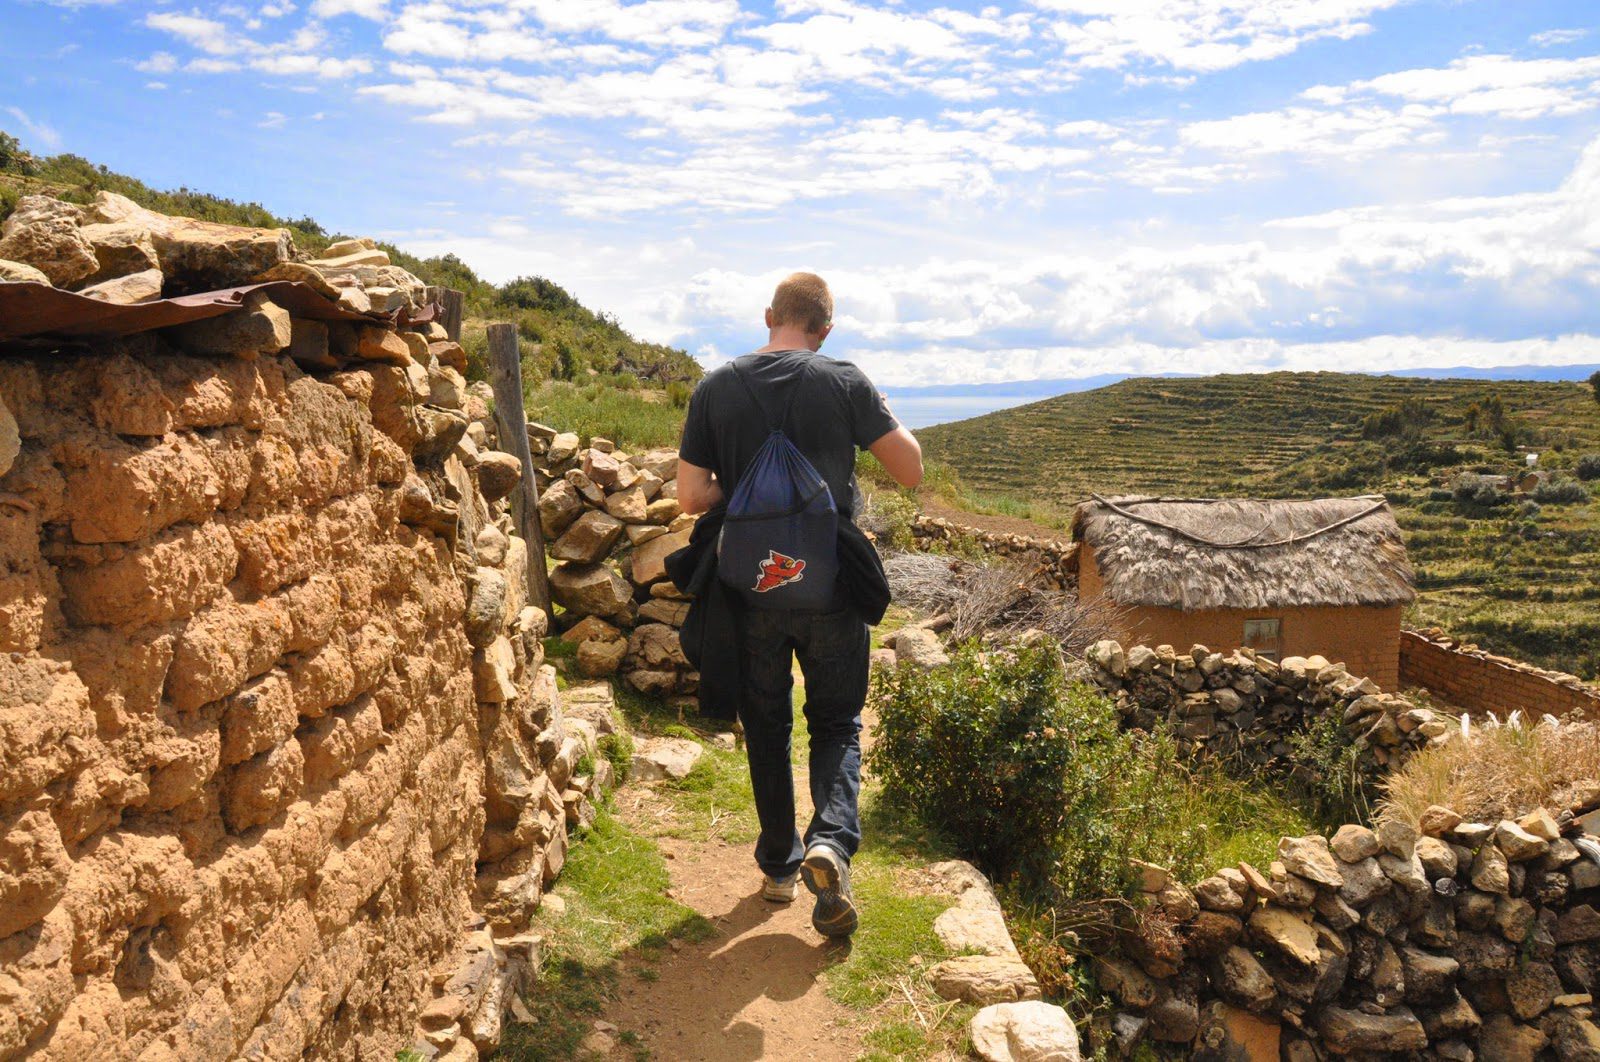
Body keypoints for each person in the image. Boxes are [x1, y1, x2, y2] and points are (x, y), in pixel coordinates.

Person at [674, 272, 924, 939]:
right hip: (832, 587)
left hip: (749, 590)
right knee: (838, 723)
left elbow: (690, 497)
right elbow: (911, 469)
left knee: (767, 727)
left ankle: (780, 869)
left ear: (768, 316)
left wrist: (744, 488)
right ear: (826, 330)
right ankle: (831, 844)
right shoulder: (845, 381)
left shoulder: (716, 387)